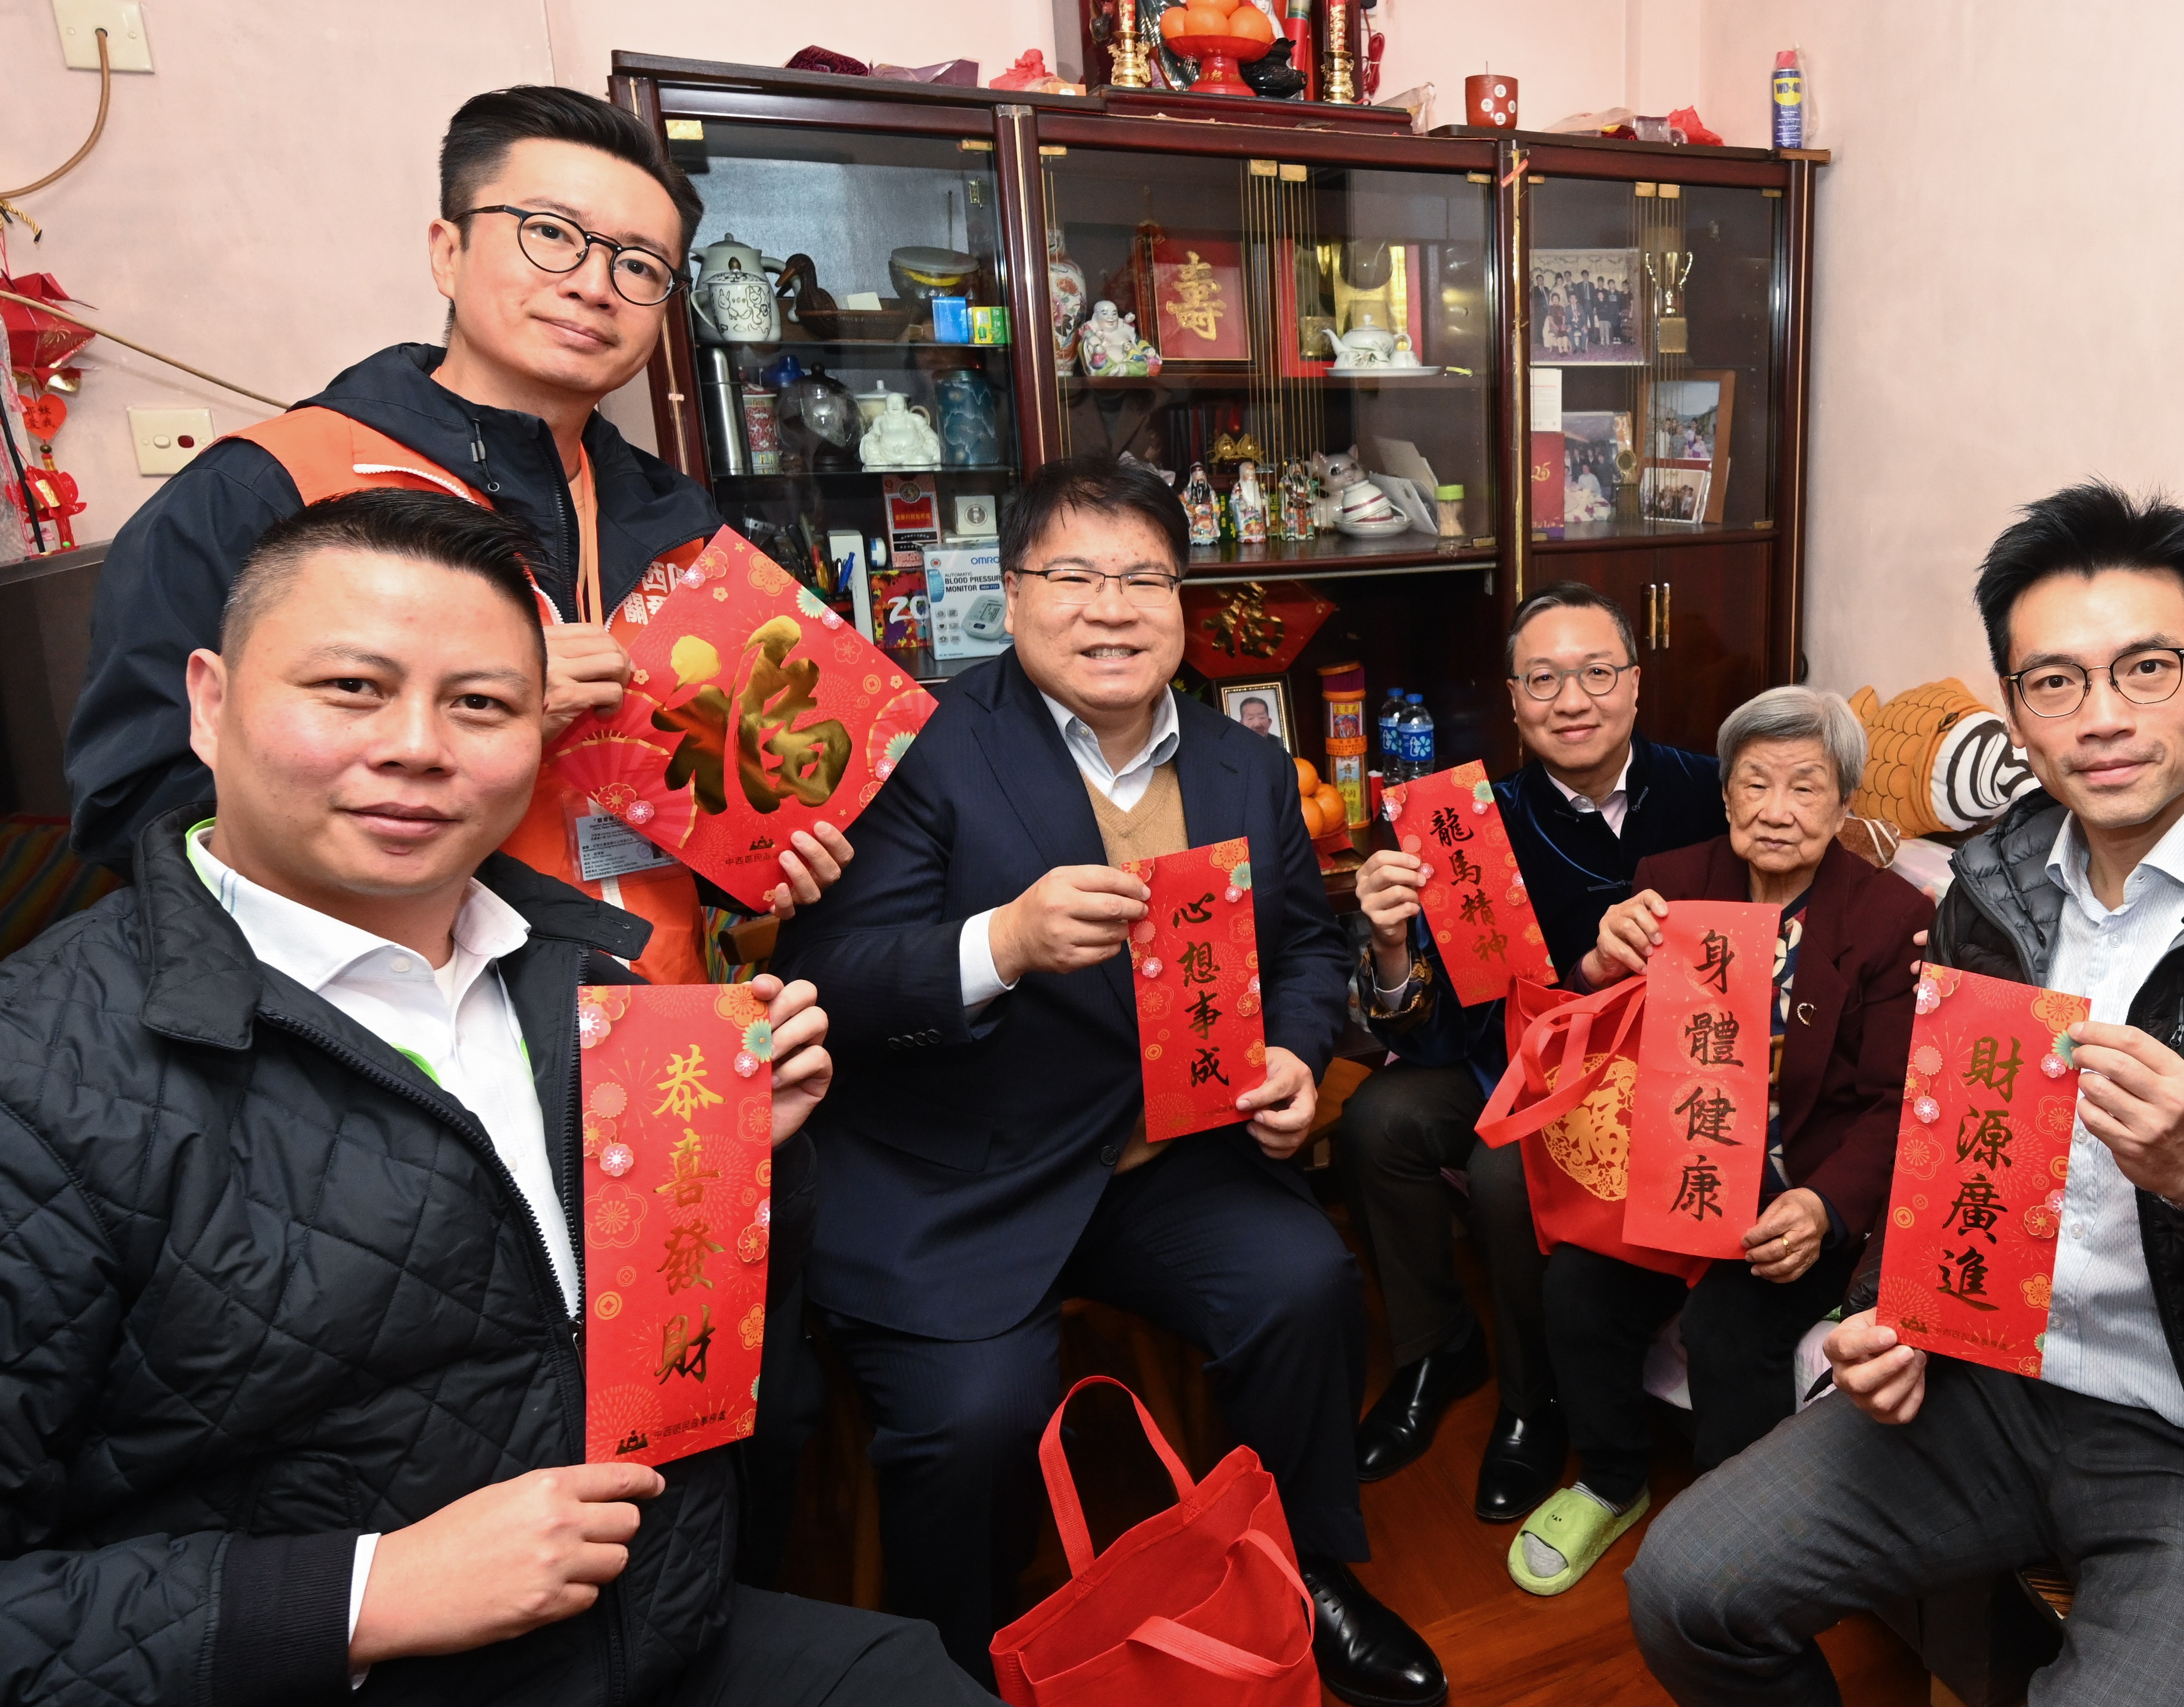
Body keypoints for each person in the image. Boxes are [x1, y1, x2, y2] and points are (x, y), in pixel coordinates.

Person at [0, 490, 992, 1705]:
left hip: (659, 1631)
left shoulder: (597, 980)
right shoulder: (38, 1076)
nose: (419, 745)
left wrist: (743, 1158)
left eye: (480, 703)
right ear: (209, 703)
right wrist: (364, 1593)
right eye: (352, 688)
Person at [1629, 483, 2184, 1705]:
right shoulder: (1991, 892)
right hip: (1983, 1380)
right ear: (2017, 713)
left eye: (2147, 666)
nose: (2104, 717)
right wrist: (1882, 1314)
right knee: (1684, 1587)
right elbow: (1939, 1147)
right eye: (2055, 682)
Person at [776, 455, 1446, 1706]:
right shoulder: (921, 747)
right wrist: (1004, 942)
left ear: (1182, 600)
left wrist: (1296, 1053)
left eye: (1144, 577)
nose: (1111, 608)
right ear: (1011, 594)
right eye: (1074, 574)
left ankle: (1304, 1571)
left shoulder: (1247, 764)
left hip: (1156, 1160)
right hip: (960, 1174)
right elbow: (830, 979)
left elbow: (1307, 946)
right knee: (976, 1417)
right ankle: (951, 1667)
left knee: (1305, 1283)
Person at [64, 83, 846, 983]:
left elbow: (695, 796)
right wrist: (485, 715)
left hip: (650, 1020)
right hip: (390, 1025)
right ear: (448, 251)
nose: (595, 285)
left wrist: (764, 850)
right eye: (551, 233)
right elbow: (136, 811)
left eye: (640, 265)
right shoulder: (267, 487)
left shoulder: (682, 524)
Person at [1506, 686, 1932, 1596]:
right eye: (1755, 783)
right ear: (1727, 795)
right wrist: (1600, 961)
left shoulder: (1887, 918)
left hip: (1795, 1191)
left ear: (1844, 805)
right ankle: (1611, 1480)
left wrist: (1824, 1206)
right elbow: (1602, 1042)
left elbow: (1895, 1101)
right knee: (1577, 1285)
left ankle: (1732, 1536)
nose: (1777, 810)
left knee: (1728, 1328)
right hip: (1678, 1172)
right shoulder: (1670, 882)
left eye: (1805, 787)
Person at [1338, 582, 1726, 1524]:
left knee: (1506, 1167)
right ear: (1513, 701)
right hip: (1514, 1062)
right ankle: (1437, 1349)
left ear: (1636, 683)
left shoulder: (1714, 790)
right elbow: (1440, 1031)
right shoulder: (1471, 823)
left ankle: (1533, 1397)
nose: (1572, 700)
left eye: (1597, 673)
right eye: (1544, 680)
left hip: (1673, 1074)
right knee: (1377, 1120)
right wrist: (1388, 944)